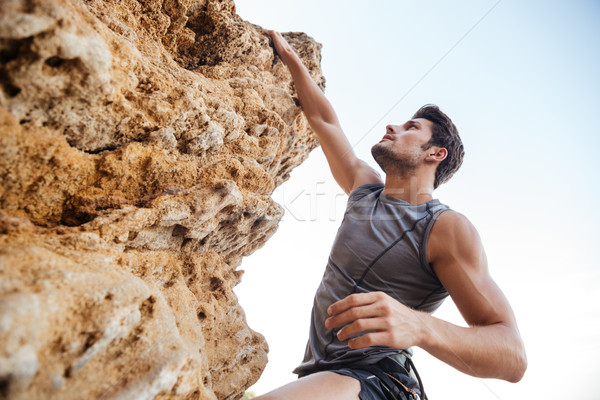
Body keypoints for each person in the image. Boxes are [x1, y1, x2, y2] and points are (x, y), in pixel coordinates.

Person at [257, 29, 527, 400]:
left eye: (410, 127)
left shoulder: (445, 228)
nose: (392, 126)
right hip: (319, 373)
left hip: (380, 381)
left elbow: (512, 356)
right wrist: (289, 56)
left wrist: (418, 325)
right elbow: (325, 121)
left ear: (435, 153)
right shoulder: (364, 188)